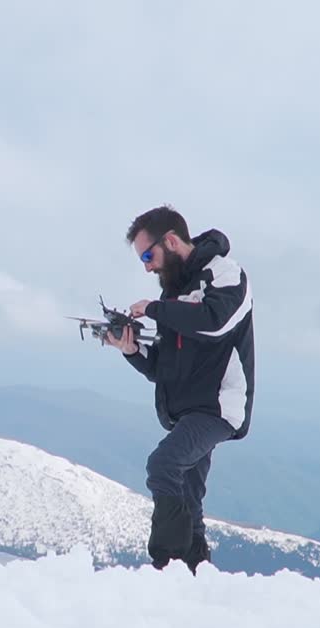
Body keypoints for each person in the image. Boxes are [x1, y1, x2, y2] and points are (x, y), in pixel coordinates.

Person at [105, 205, 255, 574]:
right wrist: (132, 350)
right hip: (188, 409)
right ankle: (196, 571)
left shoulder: (224, 272)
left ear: (170, 240)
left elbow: (215, 322)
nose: (147, 267)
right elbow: (164, 368)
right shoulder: (176, 293)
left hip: (217, 407)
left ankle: (166, 567)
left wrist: (157, 309)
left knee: (163, 465)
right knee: (188, 492)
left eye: (147, 255)